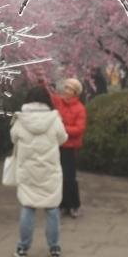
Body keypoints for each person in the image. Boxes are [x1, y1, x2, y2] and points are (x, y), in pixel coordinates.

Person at [11, 86, 68, 257]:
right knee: (52, 209)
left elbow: (13, 138)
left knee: (28, 207)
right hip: (49, 171)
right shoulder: (54, 118)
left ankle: (22, 248)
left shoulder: (20, 119)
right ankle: (54, 249)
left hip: (27, 171)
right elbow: (62, 138)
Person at [51, 78, 87, 218]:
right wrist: (41, 81)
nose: (65, 91)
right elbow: (49, 96)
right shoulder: (60, 102)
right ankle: (62, 205)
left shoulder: (80, 109)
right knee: (58, 176)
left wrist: (62, 128)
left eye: (69, 88)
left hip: (70, 147)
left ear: (75, 92)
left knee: (69, 178)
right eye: (65, 87)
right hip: (58, 145)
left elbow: (79, 129)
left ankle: (74, 205)